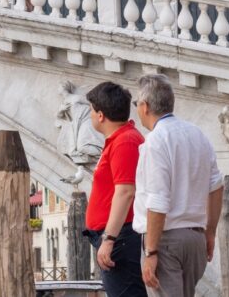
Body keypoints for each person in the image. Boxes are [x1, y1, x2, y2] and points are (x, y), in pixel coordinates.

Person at [133, 74, 224, 297]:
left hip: (165, 240)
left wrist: (151, 251)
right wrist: (210, 232)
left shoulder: (156, 140)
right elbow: (216, 186)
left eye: (137, 104)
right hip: (195, 238)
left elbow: (157, 200)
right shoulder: (197, 134)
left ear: (145, 107)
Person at [83, 82, 146, 297]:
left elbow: (126, 191)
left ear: (100, 115)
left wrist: (109, 239)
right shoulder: (120, 140)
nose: (90, 116)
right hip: (120, 236)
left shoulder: (125, 142)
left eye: (91, 110)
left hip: (121, 238)